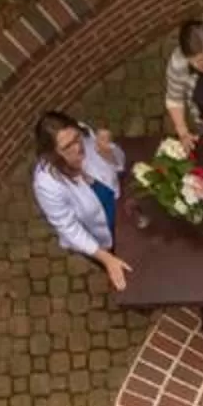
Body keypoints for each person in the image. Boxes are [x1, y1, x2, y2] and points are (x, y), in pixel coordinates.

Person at [31, 113, 129, 292]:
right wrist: (105, 258)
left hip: (121, 209)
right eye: (68, 147)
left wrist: (108, 152)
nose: (78, 148)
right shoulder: (47, 184)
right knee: (124, 270)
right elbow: (68, 228)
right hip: (100, 237)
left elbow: (119, 164)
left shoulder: (85, 136)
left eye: (77, 138)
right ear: (53, 153)